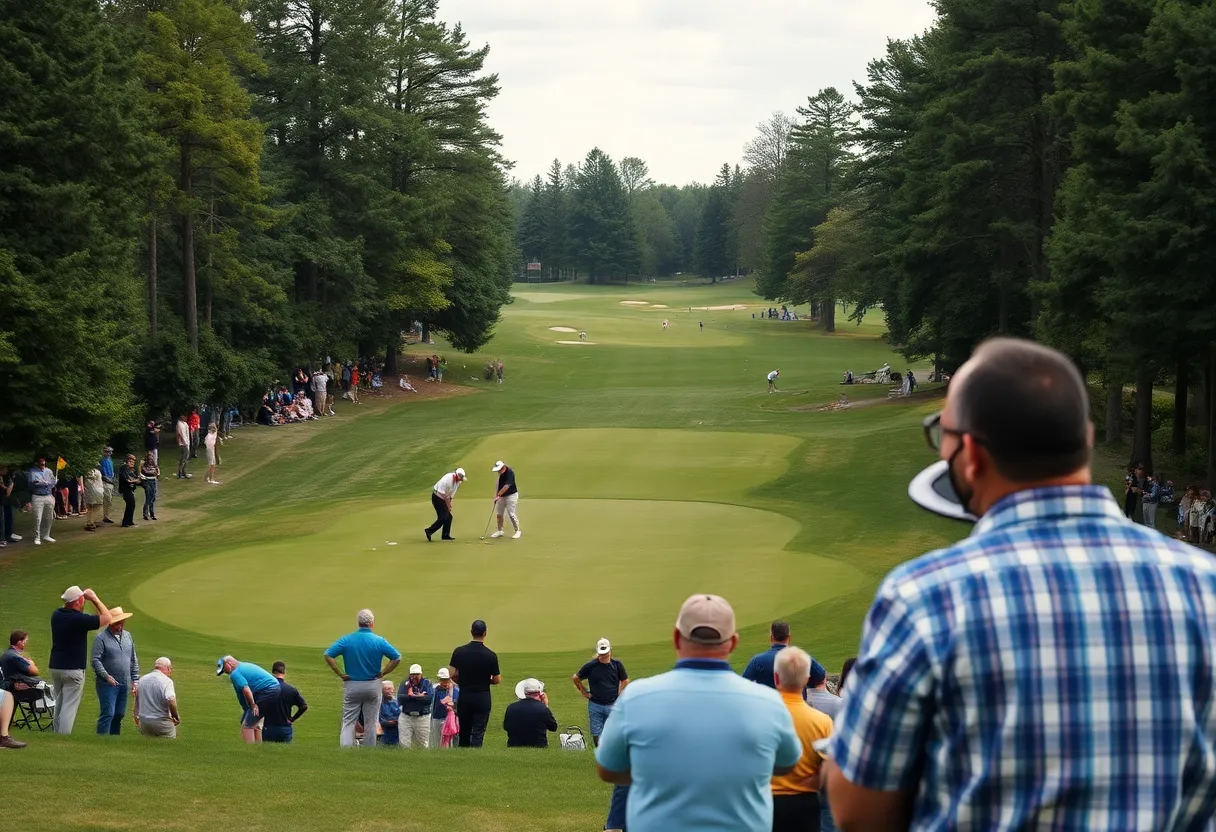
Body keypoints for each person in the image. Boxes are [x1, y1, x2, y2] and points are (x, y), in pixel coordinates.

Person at [825, 337, 1216, 831]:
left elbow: (858, 811)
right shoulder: (1207, 587)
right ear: (1088, 440)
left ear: (968, 454)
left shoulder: (924, 597)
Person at [595, 594, 801, 832]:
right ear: (733, 642)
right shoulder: (769, 703)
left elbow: (608, 768)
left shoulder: (636, 698)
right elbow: (787, 764)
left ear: (676, 638)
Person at [771, 647, 833, 832]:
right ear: (806, 680)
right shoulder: (822, 721)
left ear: (776, 677)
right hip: (805, 804)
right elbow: (831, 768)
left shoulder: (759, 716)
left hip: (766, 803)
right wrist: (809, 783)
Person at [323, 608, 402, 747]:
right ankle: (369, 751)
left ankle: (346, 750)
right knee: (371, 722)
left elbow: (328, 655)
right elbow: (396, 657)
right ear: (372, 623)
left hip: (352, 684)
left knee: (348, 721)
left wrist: (340, 673)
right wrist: (383, 673)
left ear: (358, 622)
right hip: (372, 684)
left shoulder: (347, 639)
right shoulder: (379, 640)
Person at [50, 586, 114, 733]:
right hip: (73, 669)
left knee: (59, 701)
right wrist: (95, 599)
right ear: (79, 601)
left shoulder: (56, 615)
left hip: (55, 666)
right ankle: (63, 737)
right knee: (69, 705)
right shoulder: (79, 619)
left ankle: (56, 733)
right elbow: (107, 618)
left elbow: (68, 607)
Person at [449, 619, 501, 748]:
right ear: (485, 633)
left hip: (465, 695)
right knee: (478, 731)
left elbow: (452, 674)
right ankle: (475, 755)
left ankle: (463, 755)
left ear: (471, 632)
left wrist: (463, 680)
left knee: (464, 730)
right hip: (482, 696)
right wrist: (484, 680)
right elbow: (497, 679)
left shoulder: (459, 652)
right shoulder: (490, 655)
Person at [89, 607, 138, 735]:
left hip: (124, 681)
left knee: (119, 714)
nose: (120, 626)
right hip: (107, 683)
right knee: (108, 713)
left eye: (122, 623)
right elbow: (95, 660)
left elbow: (133, 659)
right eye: (117, 623)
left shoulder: (128, 636)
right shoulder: (101, 638)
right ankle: (102, 739)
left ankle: (114, 739)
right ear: (110, 623)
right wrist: (106, 676)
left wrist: (135, 679)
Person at [572, 638, 629, 747]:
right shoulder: (591, 666)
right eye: (601, 653)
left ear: (610, 650)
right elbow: (576, 678)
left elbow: (625, 680)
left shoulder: (617, 665)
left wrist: (620, 693)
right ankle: (601, 754)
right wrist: (584, 692)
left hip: (612, 705)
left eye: (605, 653)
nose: (603, 656)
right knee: (596, 733)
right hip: (595, 705)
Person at [216, 655, 281, 744]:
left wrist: (253, 705)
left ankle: (249, 752)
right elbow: (241, 695)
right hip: (273, 690)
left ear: (229, 664)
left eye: (224, 669)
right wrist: (247, 710)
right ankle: (258, 750)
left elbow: (246, 689)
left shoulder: (235, 673)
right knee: (254, 724)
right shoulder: (243, 666)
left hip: (267, 691)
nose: (225, 672)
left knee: (247, 726)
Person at [503, 678, 557, 748]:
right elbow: (553, 727)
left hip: (514, 745)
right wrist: (546, 706)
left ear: (524, 692)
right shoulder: (543, 709)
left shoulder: (511, 707)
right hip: (539, 746)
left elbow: (506, 727)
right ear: (539, 693)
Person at [262, 661, 308, 743]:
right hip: (284, 727)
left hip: (268, 727)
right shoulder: (291, 689)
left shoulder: (265, 688)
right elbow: (303, 706)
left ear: (272, 672)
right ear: (284, 672)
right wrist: (293, 718)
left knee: (267, 754)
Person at [134, 657, 179, 738]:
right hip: (162, 723)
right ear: (168, 668)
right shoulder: (167, 681)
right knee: (168, 748)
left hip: (144, 723)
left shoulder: (142, 679)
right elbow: (171, 700)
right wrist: (175, 716)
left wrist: (136, 716)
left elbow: (137, 700)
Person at [742, 621, 792, 688]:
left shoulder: (757, 661)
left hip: (766, 698)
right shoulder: (803, 659)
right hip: (795, 698)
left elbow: (743, 684)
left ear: (771, 638)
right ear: (789, 637)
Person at [397, 663, 435, 748]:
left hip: (422, 717)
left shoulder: (427, 683)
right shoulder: (405, 683)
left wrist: (411, 696)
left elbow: (428, 699)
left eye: (417, 674)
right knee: (404, 744)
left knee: (422, 744)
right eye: (413, 674)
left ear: (421, 674)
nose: (415, 676)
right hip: (406, 716)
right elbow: (401, 698)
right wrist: (419, 696)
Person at [425, 467, 466, 541]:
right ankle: (429, 531)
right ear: (456, 475)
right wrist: (448, 505)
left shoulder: (458, 482)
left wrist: (449, 503)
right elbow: (442, 494)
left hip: (443, 498)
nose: (461, 480)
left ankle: (445, 535)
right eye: (460, 478)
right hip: (437, 497)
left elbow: (451, 495)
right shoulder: (447, 479)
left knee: (449, 517)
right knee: (443, 517)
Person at [28, 455, 57, 544]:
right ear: (37, 463)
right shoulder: (32, 472)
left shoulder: (49, 471)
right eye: (40, 462)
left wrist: (53, 483)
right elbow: (33, 484)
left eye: (43, 461)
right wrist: (44, 483)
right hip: (37, 496)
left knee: (49, 517)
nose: (42, 463)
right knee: (37, 517)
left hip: (48, 495)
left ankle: (46, 535)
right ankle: (37, 537)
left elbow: (52, 482)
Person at [429, 667, 459, 748]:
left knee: (450, 743)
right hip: (437, 718)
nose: (444, 682)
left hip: (450, 720)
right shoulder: (434, 690)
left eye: (446, 679)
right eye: (442, 680)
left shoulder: (456, 690)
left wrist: (453, 705)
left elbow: (460, 706)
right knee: (436, 742)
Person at [490, 460, 521, 539]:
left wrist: (498, 495)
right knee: (499, 514)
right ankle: (500, 530)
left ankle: (517, 531)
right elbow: (498, 485)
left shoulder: (509, 473)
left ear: (503, 467)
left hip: (511, 495)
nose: (498, 472)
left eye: (499, 470)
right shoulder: (500, 474)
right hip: (501, 496)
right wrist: (496, 495)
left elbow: (506, 486)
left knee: (511, 514)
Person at [118, 453, 141, 527]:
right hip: (125, 489)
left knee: (132, 504)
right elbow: (127, 480)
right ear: (127, 460)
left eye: (133, 462)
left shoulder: (130, 469)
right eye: (131, 461)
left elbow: (136, 478)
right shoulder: (123, 468)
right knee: (130, 504)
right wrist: (134, 480)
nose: (133, 463)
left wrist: (136, 480)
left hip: (130, 488)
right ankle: (125, 522)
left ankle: (130, 520)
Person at [378, 680, 401, 746]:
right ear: (381, 690)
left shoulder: (396, 701)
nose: (390, 691)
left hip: (397, 729)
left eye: (391, 688)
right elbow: (378, 719)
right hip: (384, 731)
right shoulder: (378, 703)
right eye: (387, 689)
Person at [99, 445, 116, 524]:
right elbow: (103, 473)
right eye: (108, 452)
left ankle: (106, 516)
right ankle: (105, 516)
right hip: (106, 482)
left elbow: (111, 471)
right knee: (107, 499)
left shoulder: (109, 460)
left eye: (110, 452)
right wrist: (110, 480)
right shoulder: (102, 460)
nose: (110, 453)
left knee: (109, 500)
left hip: (110, 481)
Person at [83, 466, 104, 532]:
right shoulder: (94, 472)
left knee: (92, 507)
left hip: (92, 491)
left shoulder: (88, 471)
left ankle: (92, 522)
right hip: (95, 492)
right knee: (93, 507)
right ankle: (90, 523)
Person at [140, 452, 159, 521]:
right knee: (148, 497)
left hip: (153, 481)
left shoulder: (154, 464)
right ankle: (145, 514)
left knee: (153, 497)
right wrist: (153, 473)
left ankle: (152, 514)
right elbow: (145, 472)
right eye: (149, 458)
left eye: (152, 458)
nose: (151, 459)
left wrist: (157, 473)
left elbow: (157, 470)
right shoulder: (144, 465)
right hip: (147, 481)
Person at [0, 464, 16, 547]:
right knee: (1, 520)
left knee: (7, 518)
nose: (6, 471)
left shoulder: (6, 477)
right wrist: (10, 486)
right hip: (2, 499)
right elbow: (6, 490)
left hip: (5, 500)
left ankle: (7, 536)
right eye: (4, 469)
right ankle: (2, 538)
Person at [175, 414, 191, 479]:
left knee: (185, 458)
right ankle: (180, 472)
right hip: (183, 444)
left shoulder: (184, 423)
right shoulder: (180, 425)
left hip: (186, 443)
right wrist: (185, 443)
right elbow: (182, 434)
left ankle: (183, 472)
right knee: (184, 458)